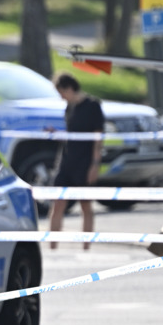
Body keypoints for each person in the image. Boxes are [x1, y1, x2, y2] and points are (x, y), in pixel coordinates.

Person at [47, 74, 105, 250]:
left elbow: (98, 138)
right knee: (58, 204)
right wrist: (57, 134)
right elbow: (72, 136)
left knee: (85, 205)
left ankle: (86, 247)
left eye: (61, 92)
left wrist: (95, 165)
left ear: (69, 88)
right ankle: (52, 246)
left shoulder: (93, 106)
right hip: (67, 162)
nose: (61, 97)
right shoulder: (68, 108)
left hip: (85, 162)